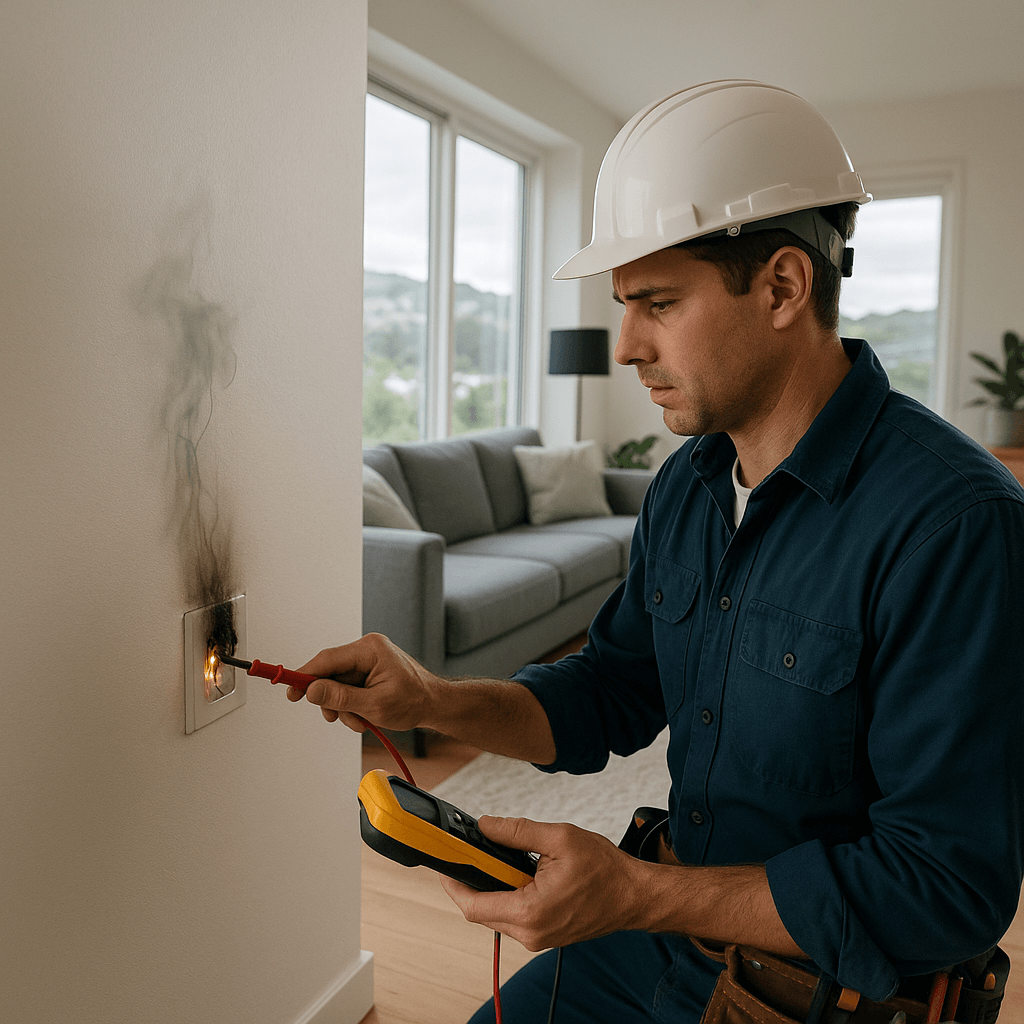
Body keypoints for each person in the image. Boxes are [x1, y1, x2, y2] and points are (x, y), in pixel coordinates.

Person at [292, 81, 1024, 1023]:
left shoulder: (956, 525)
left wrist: (633, 893)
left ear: (783, 287)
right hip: (665, 934)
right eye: (623, 305)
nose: (627, 345)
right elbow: (612, 690)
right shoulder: (685, 486)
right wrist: (433, 699)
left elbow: (945, 887)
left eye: (658, 303)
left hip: (822, 993)